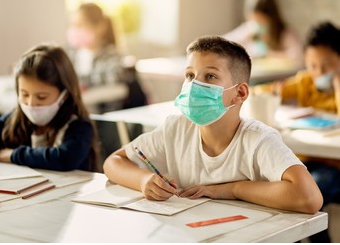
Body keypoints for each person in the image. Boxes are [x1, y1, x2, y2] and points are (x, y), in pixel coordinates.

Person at [103, 35, 323, 214]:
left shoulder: (257, 139)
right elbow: (113, 162)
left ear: (240, 93)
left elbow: (310, 197)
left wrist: (234, 189)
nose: (194, 85)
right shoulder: (177, 128)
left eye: (210, 76)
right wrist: (144, 180)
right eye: (190, 75)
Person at [0, 44, 100, 174]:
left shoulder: (79, 126)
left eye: (41, 97)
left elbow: (64, 158)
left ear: (64, 94)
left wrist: (12, 155)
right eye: (24, 95)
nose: (31, 103)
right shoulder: (15, 119)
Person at [255, 21, 340, 242]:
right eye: (312, 65)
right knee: (282, 192)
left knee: (310, 195)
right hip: (306, 161)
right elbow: (263, 91)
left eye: (327, 65)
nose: (318, 72)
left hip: (335, 166)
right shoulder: (305, 81)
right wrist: (273, 92)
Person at [66, 2, 126, 113]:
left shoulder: (111, 55)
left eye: (80, 25)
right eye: (73, 25)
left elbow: (116, 81)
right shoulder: (70, 55)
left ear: (100, 27)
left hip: (104, 118)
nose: (75, 30)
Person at [224, 0, 303, 65]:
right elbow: (227, 41)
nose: (257, 24)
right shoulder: (250, 29)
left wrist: (269, 54)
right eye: (253, 20)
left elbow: (298, 56)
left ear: (271, 18)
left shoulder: (285, 33)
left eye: (260, 20)